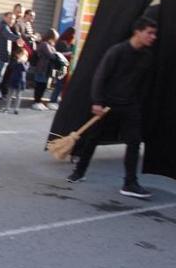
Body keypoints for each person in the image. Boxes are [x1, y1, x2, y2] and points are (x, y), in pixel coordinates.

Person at [67, 17, 158, 199]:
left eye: (154, 34)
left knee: (133, 142)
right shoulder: (118, 51)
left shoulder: (147, 56)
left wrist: (138, 104)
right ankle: (79, 171)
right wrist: (97, 101)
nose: (153, 37)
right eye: (149, 32)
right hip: (108, 104)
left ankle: (130, 183)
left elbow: (144, 84)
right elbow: (100, 76)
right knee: (93, 138)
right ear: (137, 32)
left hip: (130, 106)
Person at [0, 11, 21, 108]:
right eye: (10, 18)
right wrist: (18, 38)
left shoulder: (7, 27)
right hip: (0, 57)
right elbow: (9, 35)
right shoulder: (3, 26)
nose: (12, 20)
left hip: (4, 58)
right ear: (4, 18)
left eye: (13, 19)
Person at [48, 26, 76, 110]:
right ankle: (52, 101)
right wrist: (68, 53)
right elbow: (57, 54)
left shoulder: (70, 43)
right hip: (60, 65)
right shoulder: (61, 42)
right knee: (58, 84)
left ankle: (56, 100)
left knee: (62, 84)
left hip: (66, 66)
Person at [31, 29, 59, 111]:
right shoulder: (44, 44)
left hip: (46, 69)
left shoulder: (49, 44)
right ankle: (36, 102)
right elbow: (51, 55)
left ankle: (38, 101)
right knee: (40, 86)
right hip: (42, 68)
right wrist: (57, 55)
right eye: (55, 38)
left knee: (43, 86)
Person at [3, 46, 29, 115]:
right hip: (13, 79)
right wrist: (17, 62)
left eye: (22, 55)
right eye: (20, 54)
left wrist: (22, 62)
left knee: (18, 95)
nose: (21, 56)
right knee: (9, 94)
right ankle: (7, 108)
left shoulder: (26, 63)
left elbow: (25, 69)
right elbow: (11, 67)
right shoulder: (14, 60)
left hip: (21, 81)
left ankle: (16, 108)